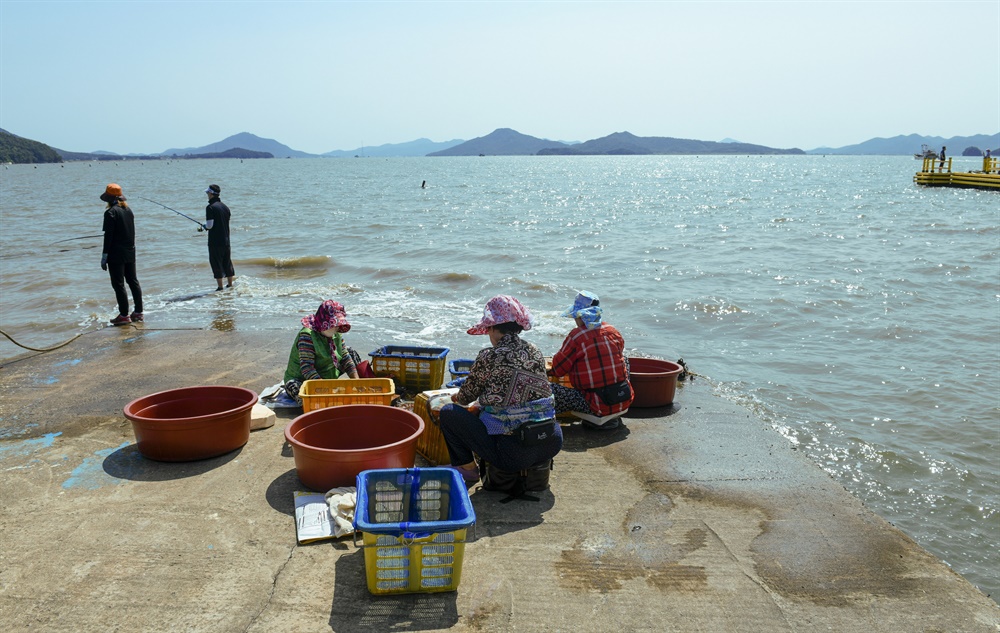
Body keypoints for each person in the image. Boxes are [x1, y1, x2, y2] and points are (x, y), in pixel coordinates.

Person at [439, 295, 562, 484]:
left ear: (492, 328)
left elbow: (465, 398)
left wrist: (456, 397)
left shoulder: (489, 356)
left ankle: (467, 469)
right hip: (550, 441)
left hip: (512, 453)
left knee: (448, 413)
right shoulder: (535, 351)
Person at [549, 291, 633, 430]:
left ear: (580, 316)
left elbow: (558, 370)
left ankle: (599, 416)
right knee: (625, 359)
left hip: (596, 405)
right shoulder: (613, 331)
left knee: (548, 389)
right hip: (623, 399)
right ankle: (613, 416)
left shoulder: (576, 336)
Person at [282, 300, 362, 405]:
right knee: (294, 387)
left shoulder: (335, 333)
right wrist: (324, 390)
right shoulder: (307, 336)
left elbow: (345, 357)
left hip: (327, 374)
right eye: (333, 324)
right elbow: (307, 368)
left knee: (350, 353)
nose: (337, 327)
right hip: (304, 378)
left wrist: (357, 382)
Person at [99, 183, 143, 325]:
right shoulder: (128, 210)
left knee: (118, 284)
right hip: (130, 251)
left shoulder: (110, 213)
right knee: (133, 281)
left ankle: (124, 315)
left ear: (109, 198)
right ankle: (138, 312)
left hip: (116, 254)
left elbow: (108, 237)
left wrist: (104, 256)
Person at [203, 184, 235, 291]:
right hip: (226, 240)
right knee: (227, 262)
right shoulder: (225, 207)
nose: (207, 195)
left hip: (215, 241)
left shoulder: (210, 208)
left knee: (216, 262)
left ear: (211, 193)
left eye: (208, 193)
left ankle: (220, 287)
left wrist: (204, 227)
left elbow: (209, 226)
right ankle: (230, 284)